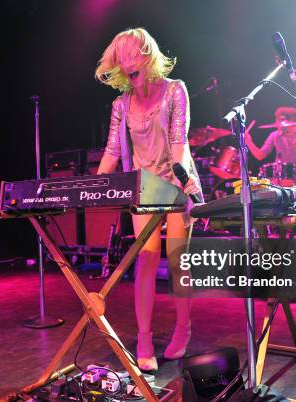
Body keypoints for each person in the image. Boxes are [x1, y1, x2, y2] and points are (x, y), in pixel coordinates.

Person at [95, 28, 202, 372]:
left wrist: (181, 180)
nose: (127, 64)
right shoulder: (120, 104)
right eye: (121, 59)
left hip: (176, 180)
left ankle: (183, 329)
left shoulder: (175, 91)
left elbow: (178, 141)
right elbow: (113, 149)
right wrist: (95, 185)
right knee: (146, 256)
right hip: (144, 187)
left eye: (132, 56)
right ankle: (143, 338)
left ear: (148, 55)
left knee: (177, 259)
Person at [245, 106, 296, 183]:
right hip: (281, 177)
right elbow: (260, 155)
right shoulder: (274, 135)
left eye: (279, 120)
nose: (277, 124)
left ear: (290, 120)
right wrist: (248, 140)